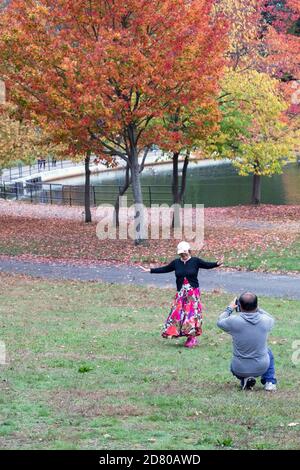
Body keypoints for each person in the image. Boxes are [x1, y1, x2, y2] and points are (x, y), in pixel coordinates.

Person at [140, 241, 222, 348]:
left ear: (189, 250)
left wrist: (216, 264)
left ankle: (192, 337)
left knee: (191, 315)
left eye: (184, 253)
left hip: (192, 293)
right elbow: (165, 269)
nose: (183, 255)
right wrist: (150, 270)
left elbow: (207, 265)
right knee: (177, 313)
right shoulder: (176, 263)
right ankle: (176, 332)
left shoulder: (195, 261)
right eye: (181, 254)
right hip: (181, 293)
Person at [217, 292, 277, 391]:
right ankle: (269, 382)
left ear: (240, 305)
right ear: (256, 305)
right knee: (268, 351)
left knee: (241, 357)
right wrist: (258, 309)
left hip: (238, 368)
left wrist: (229, 308)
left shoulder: (233, 321)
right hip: (261, 367)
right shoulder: (266, 320)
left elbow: (220, 321)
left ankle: (245, 380)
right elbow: (272, 318)